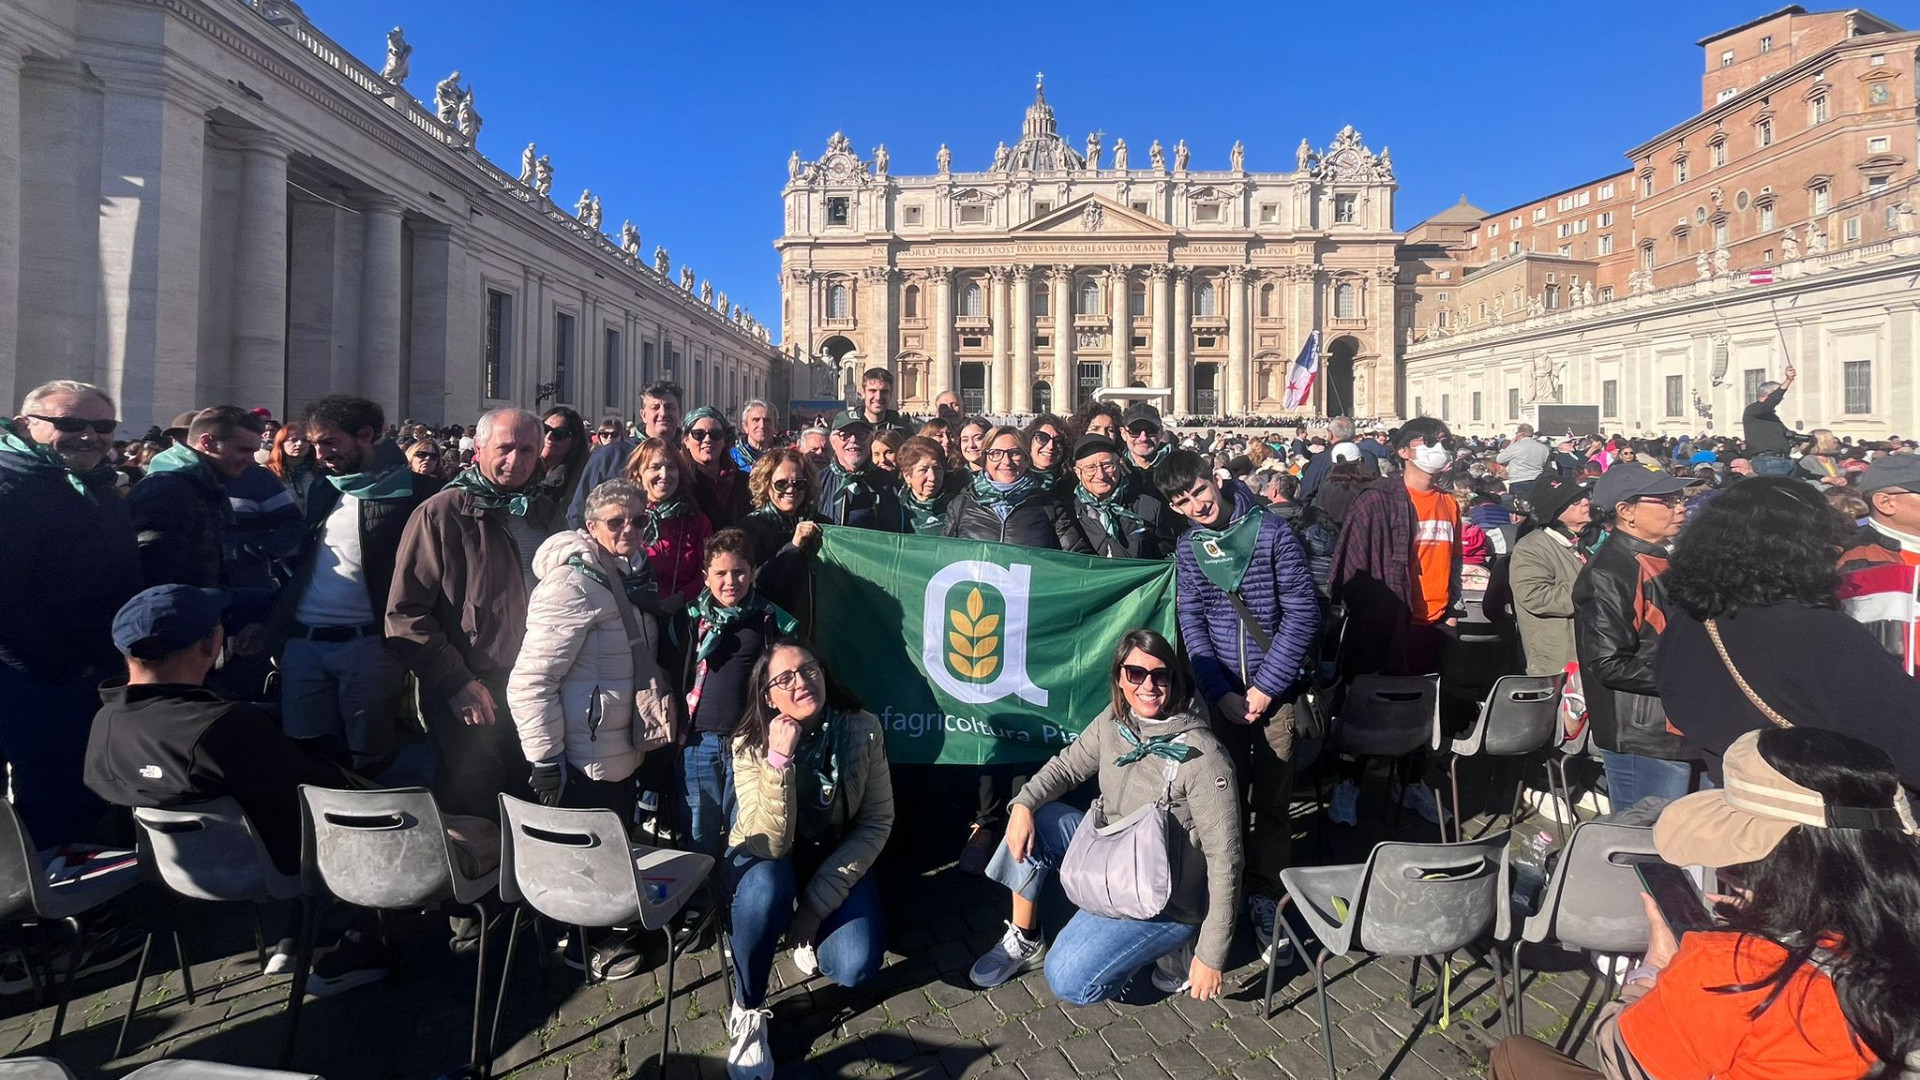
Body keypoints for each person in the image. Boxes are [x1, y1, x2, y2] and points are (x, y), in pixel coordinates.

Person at [1488, 726, 1920, 1080]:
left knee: (1512, 1054)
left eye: (1737, 863)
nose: (1729, 873)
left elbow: (1623, 1059)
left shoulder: (1736, 966)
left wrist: (1653, 968)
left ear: (1783, 863)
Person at [84, 584, 396, 990]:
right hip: (272, 866)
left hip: (179, 873)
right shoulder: (224, 727)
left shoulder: (105, 724)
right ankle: (358, 946)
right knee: (388, 807)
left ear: (127, 653)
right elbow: (325, 792)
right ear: (211, 644)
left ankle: (302, 935)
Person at [967, 630, 1242, 1004]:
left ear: (1175, 680)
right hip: (1113, 853)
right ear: (1119, 677)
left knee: (1068, 980)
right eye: (1135, 674)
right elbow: (1066, 767)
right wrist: (1023, 805)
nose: (1148, 686)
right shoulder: (1116, 719)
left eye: (1160, 675)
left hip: (1166, 898)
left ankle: (1175, 947)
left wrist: (1212, 955)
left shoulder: (1203, 757)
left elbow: (1227, 859)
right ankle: (1026, 937)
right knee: (1039, 818)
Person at [506, 479, 676, 975]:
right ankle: (585, 945)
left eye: (638, 520)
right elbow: (531, 681)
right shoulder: (573, 583)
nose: (629, 529)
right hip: (585, 749)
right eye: (616, 522)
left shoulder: (622, 572)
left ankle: (605, 928)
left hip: (613, 743)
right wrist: (543, 758)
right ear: (591, 526)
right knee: (587, 851)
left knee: (612, 841)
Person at [1154, 451, 1317, 959]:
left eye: (1199, 491)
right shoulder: (1189, 547)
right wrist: (1218, 690)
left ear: (1214, 480)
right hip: (1222, 692)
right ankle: (1223, 890)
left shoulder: (1271, 533)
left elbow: (1301, 613)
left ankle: (1268, 893)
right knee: (1221, 802)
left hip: (1275, 692)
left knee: (1271, 801)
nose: (1196, 505)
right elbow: (1192, 624)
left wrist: (1266, 687)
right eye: (1182, 502)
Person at [1658, 476, 1920, 788]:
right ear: (1803, 550)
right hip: (1831, 818)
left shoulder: (1688, 622)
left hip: (1739, 808)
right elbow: (1907, 745)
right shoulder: (1821, 633)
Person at [726, 641, 892, 1080]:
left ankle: (799, 928)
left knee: (854, 964)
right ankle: (747, 1007)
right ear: (768, 696)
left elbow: (877, 823)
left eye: (809, 669)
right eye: (785, 678)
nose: (801, 682)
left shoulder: (864, 729)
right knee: (764, 889)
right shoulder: (748, 745)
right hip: (769, 857)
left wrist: (816, 908)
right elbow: (769, 846)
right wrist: (778, 761)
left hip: (833, 856)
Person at [388, 407, 558, 820]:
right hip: (474, 685)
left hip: (539, 685)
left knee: (531, 802)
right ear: (479, 449)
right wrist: (455, 681)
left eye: (526, 449)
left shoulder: (546, 511)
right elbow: (406, 614)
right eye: (504, 448)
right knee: (477, 805)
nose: (515, 460)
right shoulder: (442, 513)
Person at [0, 380, 142, 845]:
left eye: (102, 425)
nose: (90, 435)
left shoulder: (92, 486)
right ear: (26, 425)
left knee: (76, 792)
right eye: (70, 423)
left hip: (86, 671)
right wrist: (57, 666)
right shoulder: (12, 487)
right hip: (34, 677)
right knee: (49, 796)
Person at [267, 395, 437, 777]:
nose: (320, 453)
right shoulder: (326, 488)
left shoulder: (419, 494)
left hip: (369, 647)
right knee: (305, 755)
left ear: (365, 436)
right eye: (314, 444)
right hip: (304, 644)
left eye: (329, 442)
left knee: (369, 758)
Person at [1326, 417, 1461, 826]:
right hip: (1382, 623)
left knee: (1420, 711)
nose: (1439, 448)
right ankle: (1347, 783)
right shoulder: (1375, 499)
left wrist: (1452, 607)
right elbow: (1351, 565)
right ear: (1404, 451)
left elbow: (1453, 563)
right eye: (1430, 442)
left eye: (1444, 441)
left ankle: (1411, 781)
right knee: (1364, 704)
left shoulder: (1450, 504)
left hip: (1432, 624)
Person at [671, 529, 796, 942]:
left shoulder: (767, 620)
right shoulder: (691, 620)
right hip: (699, 742)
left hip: (747, 744)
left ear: (754, 573)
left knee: (741, 830)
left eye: (740, 573)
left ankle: (734, 906)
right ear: (706, 574)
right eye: (721, 573)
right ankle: (697, 904)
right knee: (699, 828)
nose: (730, 582)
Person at [1572, 464, 1701, 809]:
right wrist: (1690, 680)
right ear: (1626, 512)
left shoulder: (1665, 559)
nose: (1680, 506)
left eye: (1679, 498)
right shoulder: (1611, 571)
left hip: (1683, 727)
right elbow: (1609, 663)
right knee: (1644, 847)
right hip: (1644, 737)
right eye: (1666, 500)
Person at [128, 405, 265, 588]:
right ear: (207, 442)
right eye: (243, 450)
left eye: (254, 451)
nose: (252, 460)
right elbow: (153, 575)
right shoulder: (169, 491)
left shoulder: (199, 485)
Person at [944, 425, 1089, 551]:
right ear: (985, 460)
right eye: (996, 453)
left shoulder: (1050, 506)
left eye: (1015, 453)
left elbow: (1077, 557)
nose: (1006, 461)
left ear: (1026, 459)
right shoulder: (960, 506)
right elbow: (944, 556)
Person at [568, 381, 682, 529]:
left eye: (670, 407)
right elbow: (578, 512)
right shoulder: (610, 456)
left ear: (680, 413)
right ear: (643, 415)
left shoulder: (687, 457)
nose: (663, 413)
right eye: (655, 407)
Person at [1507, 477, 1592, 676]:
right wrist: (1594, 592)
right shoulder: (1531, 547)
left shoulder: (1585, 542)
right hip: (1559, 659)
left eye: (1585, 497)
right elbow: (1534, 596)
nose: (1586, 502)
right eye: (1575, 501)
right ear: (1556, 512)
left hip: (1588, 652)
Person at [626, 436, 712, 607]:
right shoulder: (623, 518)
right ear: (638, 473)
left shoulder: (696, 521)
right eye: (655, 467)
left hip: (682, 613)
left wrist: (680, 598)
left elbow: (709, 570)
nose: (664, 475)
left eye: (672, 467)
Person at [1071, 435, 1171, 559]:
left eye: (1107, 465)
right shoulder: (1069, 512)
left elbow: (1166, 559)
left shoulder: (1150, 507)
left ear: (1119, 465)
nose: (1100, 475)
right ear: (1077, 473)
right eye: (1090, 468)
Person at [817, 414, 904, 532]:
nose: (853, 440)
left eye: (861, 434)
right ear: (833, 442)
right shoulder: (817, 483)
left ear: (871, 440)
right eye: (845, 435)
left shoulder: (891, 484)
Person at [682, 406, 750, 529]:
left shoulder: (743, 481)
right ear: (686, 440)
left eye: (716, 434)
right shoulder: (680, 482)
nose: (707, 440)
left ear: (724, 439)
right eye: (698, 434)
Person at [1740, 367, 1799, 475]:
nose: (1781, 399)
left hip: (1784, 459)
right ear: (1770, 393)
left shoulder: (1771, 416)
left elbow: (1787, 434)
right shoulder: (1753, 410)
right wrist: (1788, 381)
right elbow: (1770, 402)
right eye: (1778, 395)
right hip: (1768, 460)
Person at [534, 406, 591, 514]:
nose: (549, 437)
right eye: (545, 430)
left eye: (559, 434)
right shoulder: (523, 469)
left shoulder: (579, 479)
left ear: (575, 440)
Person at [895, 436, 953, 535]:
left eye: (937, 469)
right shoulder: (896, 509)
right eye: (923, 470)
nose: (932, 477)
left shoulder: (957, 507)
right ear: (907, 475)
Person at [1297, 416, 1357, 504]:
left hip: (1329, 511)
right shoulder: (1368, 456)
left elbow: (1307, 490)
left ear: (1330, 435)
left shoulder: (1321, 459)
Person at [265, 421, 319, 513]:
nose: (299, 444)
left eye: (305, 440)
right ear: (281, 444)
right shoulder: (267, 472)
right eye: (294, 440)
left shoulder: (318, 472)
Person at [1495, 424, 1550, 501]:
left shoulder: (1516, 447)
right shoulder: (1544, 448)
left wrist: (1510, 446)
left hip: (1519, 481)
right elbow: (1546, 465)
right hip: (1538, 480)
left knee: (1519, 509)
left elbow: (1500, 459)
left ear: (1520, 434)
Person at [848, 368, 910, 434]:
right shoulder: (849, 428)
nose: (878, 397)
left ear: (891, 394)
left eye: (884, 392)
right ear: (863, 393)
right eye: (873, 391)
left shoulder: (903, 431)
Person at [1023, 414, 1070, 496]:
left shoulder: (1072, 488)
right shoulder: (1016, 486)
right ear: (1029, 441)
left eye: (1058, 440)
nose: (1050, 446)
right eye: (1042, 438)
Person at [1120, 403, 1171, 475]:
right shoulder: (1114, 470)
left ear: (1161, 432)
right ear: (1123, 434)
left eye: (1151, 430)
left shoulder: (1180, 468)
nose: (1143, 438)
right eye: (1135, 430)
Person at [730, 400, 777, 473]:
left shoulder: (786, 457)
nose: (762, 425)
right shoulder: (731, 458)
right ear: (745, 427)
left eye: (767, 420)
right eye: (756, 420)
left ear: (775, 426)